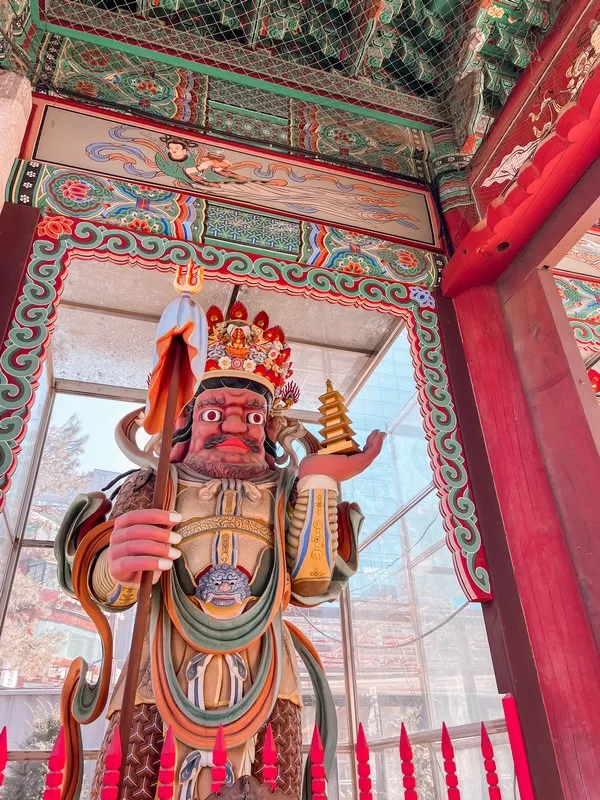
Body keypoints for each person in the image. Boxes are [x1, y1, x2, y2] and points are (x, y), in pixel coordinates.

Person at [56, 303, 384, 800]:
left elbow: (312, 582)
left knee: (275, 781)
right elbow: (112, 591)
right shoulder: (155, 483)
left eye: (252, 416)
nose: (234, 427)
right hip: (157, 672)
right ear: (186, 423)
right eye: (214, 413)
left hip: (267, 677)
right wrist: (113, 563)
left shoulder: (286, 489)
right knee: (139, 782)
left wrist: (317, 482)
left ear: (270, 428)